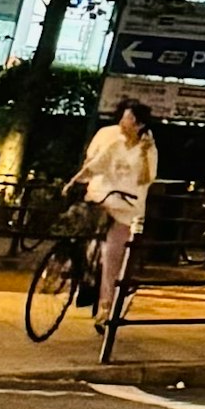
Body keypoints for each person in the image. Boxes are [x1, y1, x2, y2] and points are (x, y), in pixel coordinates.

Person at [70, 95, 158, 310]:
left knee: (112, 254)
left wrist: (145, 154)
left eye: (128, 118)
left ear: (139, 124)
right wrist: (76, 180)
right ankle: (83, 279)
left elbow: (146, 179)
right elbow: (95, 163)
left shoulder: (148, 149)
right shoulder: (112, 139)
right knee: (84, 239)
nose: (123, 122)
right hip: (101, 197)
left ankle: (107, 303)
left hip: (126, 206)